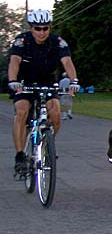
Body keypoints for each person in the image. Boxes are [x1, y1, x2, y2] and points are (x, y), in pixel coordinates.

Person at [8, 9, 80, 173]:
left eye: (45, 28)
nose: (42, 32)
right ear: (31, 28)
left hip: (47, 82)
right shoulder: (22, 41)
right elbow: (14, 61)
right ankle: (20, 155)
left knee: (55, 113)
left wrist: (73, 80)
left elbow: (67, 62)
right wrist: (13, 81)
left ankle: (47, 144)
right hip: (24, 82)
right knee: (22, 111)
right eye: (37, 28)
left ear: (50, 28)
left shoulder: (58, 42)